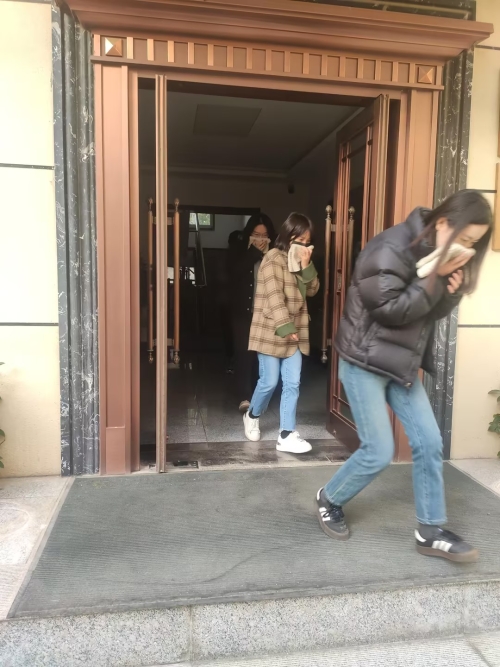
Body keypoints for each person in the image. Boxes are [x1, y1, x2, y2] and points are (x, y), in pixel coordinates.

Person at [316, 190, 492, 562]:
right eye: (463, 238)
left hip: (400, 364)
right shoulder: (389, 248)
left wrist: (450, 292)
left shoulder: (439, 255)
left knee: (429, 441)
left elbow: (426, 312)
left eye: (473, 244)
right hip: (363, 361)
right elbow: (390, 311)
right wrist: (435, 279)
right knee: (379, 451)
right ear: (442, 222)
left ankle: (429, 531)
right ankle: (329, 498)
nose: (466, 248)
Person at [244, 212, 320, 453]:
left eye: (307, 241)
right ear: (288, 235)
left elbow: (313, 289)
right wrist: (285, 327)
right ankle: (252, 415)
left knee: (292, 383)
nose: (304, 245)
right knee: (269, 381)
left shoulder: (300, 260)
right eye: (300, 239)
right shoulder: (273, 259)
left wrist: (306, 266)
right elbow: (274, 296)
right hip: (272, 329)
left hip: (295, 333)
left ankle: (286, 434)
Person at [227, 214, 277, 412]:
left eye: (264, 235)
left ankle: (261, 396)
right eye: (256, 234)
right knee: (243, 354)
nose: (260, 239)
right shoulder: (239, 251)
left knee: (264, 356)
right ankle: (244, 396)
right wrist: (253, 253)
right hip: (243, 312)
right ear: (249, 234)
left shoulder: (275, 254)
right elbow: (233, 274)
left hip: (267, 314)